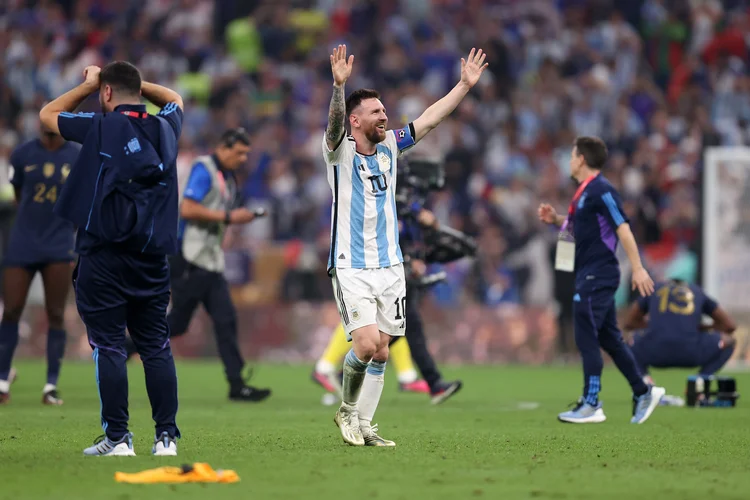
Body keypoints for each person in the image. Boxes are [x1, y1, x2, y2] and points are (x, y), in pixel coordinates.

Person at [324, 44, 487, 446]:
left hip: (391, 265)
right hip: (351, 265)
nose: (385, 116)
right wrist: (339, 89)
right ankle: (346, 411)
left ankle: (364, 424)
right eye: (377, 112)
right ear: (357, 120)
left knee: (381, 351)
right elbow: (333, 127)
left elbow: (430, 119)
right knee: (363, 345)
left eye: (385, 111)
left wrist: (464, 86)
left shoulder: (391, 146)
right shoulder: (339, 152)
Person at [39, 61, 184, 456]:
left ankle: (118, 439)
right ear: (137, 91)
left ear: (106, 93)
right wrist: (133, 86)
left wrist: (88, 83)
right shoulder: (167, 126)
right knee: (155, 345)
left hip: (103, 256)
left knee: (109, 346)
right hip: (152, 257)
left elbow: (47, 115)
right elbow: (173, 99)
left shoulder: (99, 127)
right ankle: (166, 437)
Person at [125, 128, 271, 402]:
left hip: (208, 259)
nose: (242, 159)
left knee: (223, 320)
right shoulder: (204, 169)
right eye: (239, 153)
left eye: (246, 154)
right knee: (180, 323)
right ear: (224, 148)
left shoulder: (225, 175)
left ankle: (237, 384)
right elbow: (188, 208)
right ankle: (126, 347)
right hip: (190, 258)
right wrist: (228, 217)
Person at [538, 136, 665, 424]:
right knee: (610, 338)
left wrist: (639, 268)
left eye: (571, 156)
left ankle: (592, 402)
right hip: (588, 272)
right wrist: (555, 219)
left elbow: (622, 227)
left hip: (599, 273)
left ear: (581, 159)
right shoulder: (582, 193)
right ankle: (643, 391)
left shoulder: (602, 190)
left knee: (585, 334)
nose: (569, 161)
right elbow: (573, 227)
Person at [0, 125, 79, 405]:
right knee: (10, 310)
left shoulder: (77, 154)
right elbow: (18, 193)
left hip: (59, 242)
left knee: (56, 313)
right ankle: (2, 379)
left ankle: (50, 385)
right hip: (24, 240)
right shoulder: (22, 154)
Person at [624, 279, 737, 384]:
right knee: (729, 342)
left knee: (628, 341)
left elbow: (628, 323)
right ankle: (699, 381)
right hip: (691, 352)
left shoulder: (655, 289)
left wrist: (656, 325)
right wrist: (701, 327)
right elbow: (729, 326)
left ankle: (646, 382)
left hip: (655, 352)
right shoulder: (696, 291)